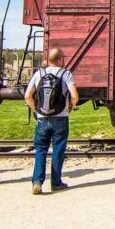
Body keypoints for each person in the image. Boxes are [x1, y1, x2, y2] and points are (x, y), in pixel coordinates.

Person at [24, 48, 78, 195]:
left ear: (49, 60)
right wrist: (70, 108)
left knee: (40, 150)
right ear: (60, 59)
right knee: (58, 150)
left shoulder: (39, 73)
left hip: (42, 118)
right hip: (60, 117)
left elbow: (28, 96)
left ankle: (37, 182)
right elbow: (74, 96)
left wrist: (36, 110)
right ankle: (56, 183)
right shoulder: (65, 74)